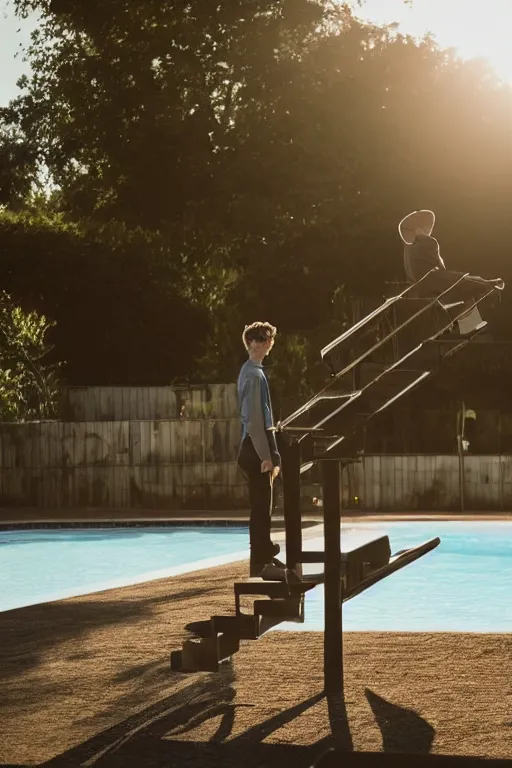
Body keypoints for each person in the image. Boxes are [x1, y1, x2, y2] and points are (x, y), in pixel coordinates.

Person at [237, 321, 282, 577]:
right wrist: (267, 456)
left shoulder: (252, 371)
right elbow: (255, 420)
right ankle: (260, 560)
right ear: (251, 343)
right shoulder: (253, 374)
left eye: (268, 339)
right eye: (261, 338)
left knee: (262, 505)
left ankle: (263, 554)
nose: (266, 343)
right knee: (261, 505)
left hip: (254, 445)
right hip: (254, 446)